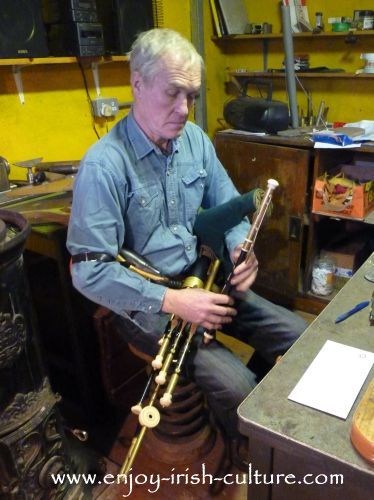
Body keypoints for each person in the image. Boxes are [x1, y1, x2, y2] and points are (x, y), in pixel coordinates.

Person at [67, 28, 306, 465]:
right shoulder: (104, 165)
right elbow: (88, 271)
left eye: (192, 95)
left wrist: (240, 249)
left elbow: (228, 206)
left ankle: (256, 425)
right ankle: (249, 450)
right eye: (173, 93)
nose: (184, 109)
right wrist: (175, 300)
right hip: (147, 305)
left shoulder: (194, 140)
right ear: (137, 83)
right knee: (238, 389)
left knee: (301, 340)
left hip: (205, 280)